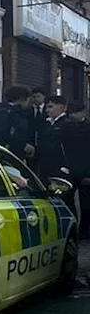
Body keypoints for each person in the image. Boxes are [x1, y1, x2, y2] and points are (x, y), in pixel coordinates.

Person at [0, 85, 33, 159]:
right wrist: (22, 146)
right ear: (23, 99)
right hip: (5, 155)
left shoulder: (0, 111)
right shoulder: (7, 113)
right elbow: (3, 136)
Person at [62, 101, 90, 238]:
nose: (72, 115)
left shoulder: (88, 127)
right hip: (69, 170)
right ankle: (72, 228)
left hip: (85, 171)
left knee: (86, 204)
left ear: (83, 112)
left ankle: (85, 230)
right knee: (68, 200)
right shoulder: (66, 126)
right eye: (71, 112)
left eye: (75, 113)